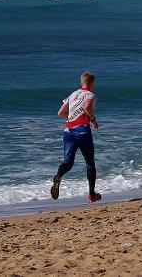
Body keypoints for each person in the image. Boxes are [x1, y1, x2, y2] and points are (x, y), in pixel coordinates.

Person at [51, 71, 101, 203]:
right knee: (90, 163)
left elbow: (60, 112)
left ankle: (58, 176)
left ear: (81, 82)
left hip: (68, 131)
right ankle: (91, 195)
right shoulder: (90, 95)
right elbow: (87, 106)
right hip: (83, 132)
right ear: (91, 83)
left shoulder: (72, 94)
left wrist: (71, 119)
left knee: (68, 163)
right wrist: (93, 120)